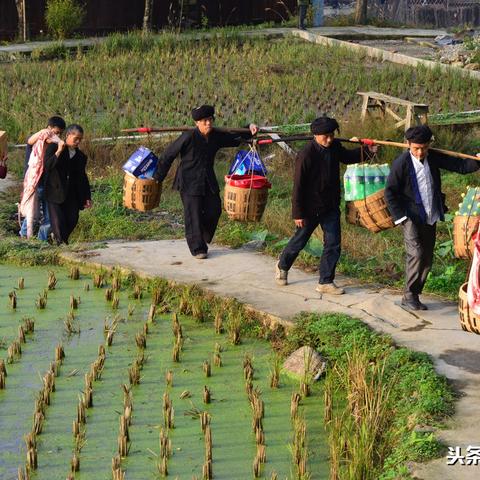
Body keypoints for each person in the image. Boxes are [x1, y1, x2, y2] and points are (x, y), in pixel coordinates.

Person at [275, 116, 375, 295]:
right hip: (309, 207)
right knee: (300, 240)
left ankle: (326, 281)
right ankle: (283, 265)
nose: (329, 140)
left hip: (330, 205)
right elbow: (298, 186)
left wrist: (367, 151)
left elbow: (348, 157)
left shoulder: (335, 147)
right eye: (325, 137)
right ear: (315, 135)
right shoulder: (306, 154)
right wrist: (298, 213)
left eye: (331, 135)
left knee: (333, 243)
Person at [385, 125, 480, 310]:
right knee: (417, 254)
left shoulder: (433, 157)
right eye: (416, 148)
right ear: (408, 145)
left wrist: (477, 161)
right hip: (410, 216)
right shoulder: (401, 163)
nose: (420, 152)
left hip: (430, 214)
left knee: (427, 258)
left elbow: (459, 166)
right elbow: (390, 192)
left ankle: (414, 294)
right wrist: (401, 217)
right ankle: (409, 294)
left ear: (429, 145)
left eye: (424, 148)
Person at [153, 105, 258, 259]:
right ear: (197, 123)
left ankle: (202, 235)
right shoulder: (188, 137)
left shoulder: (215, 136)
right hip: (189, 182)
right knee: (193, 214)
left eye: (210, 120)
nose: (208, 123)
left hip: (208, 180)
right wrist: (158, 177)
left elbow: (234, 138)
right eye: (204, 121)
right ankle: (198, 248)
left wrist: (249, 128)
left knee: (214, 209)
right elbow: (168, 155)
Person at [43, 124, 92, 244]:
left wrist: (87, 197)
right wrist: (59, 151)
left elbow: (83, 177)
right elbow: (47, 166)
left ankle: (59, 240)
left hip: (72, 194)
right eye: (76, 138)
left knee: (72, 219)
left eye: (80, 139)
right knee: (58, 221)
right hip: (54, 191)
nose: (78, 142)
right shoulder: (53, 148)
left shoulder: (81, 156)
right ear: (68, 135)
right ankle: (61, 243)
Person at [20, 116, 66, 240]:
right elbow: (29, 140)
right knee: (31, 213)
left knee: (48, 216)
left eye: (59, 133)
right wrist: (43, 133)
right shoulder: (37, 142)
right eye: (55, 132)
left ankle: (41, 240)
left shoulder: (54, 145)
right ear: (48, 128)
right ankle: (25, 237)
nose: (56, 136)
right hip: (35, 184)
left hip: (47, 184)